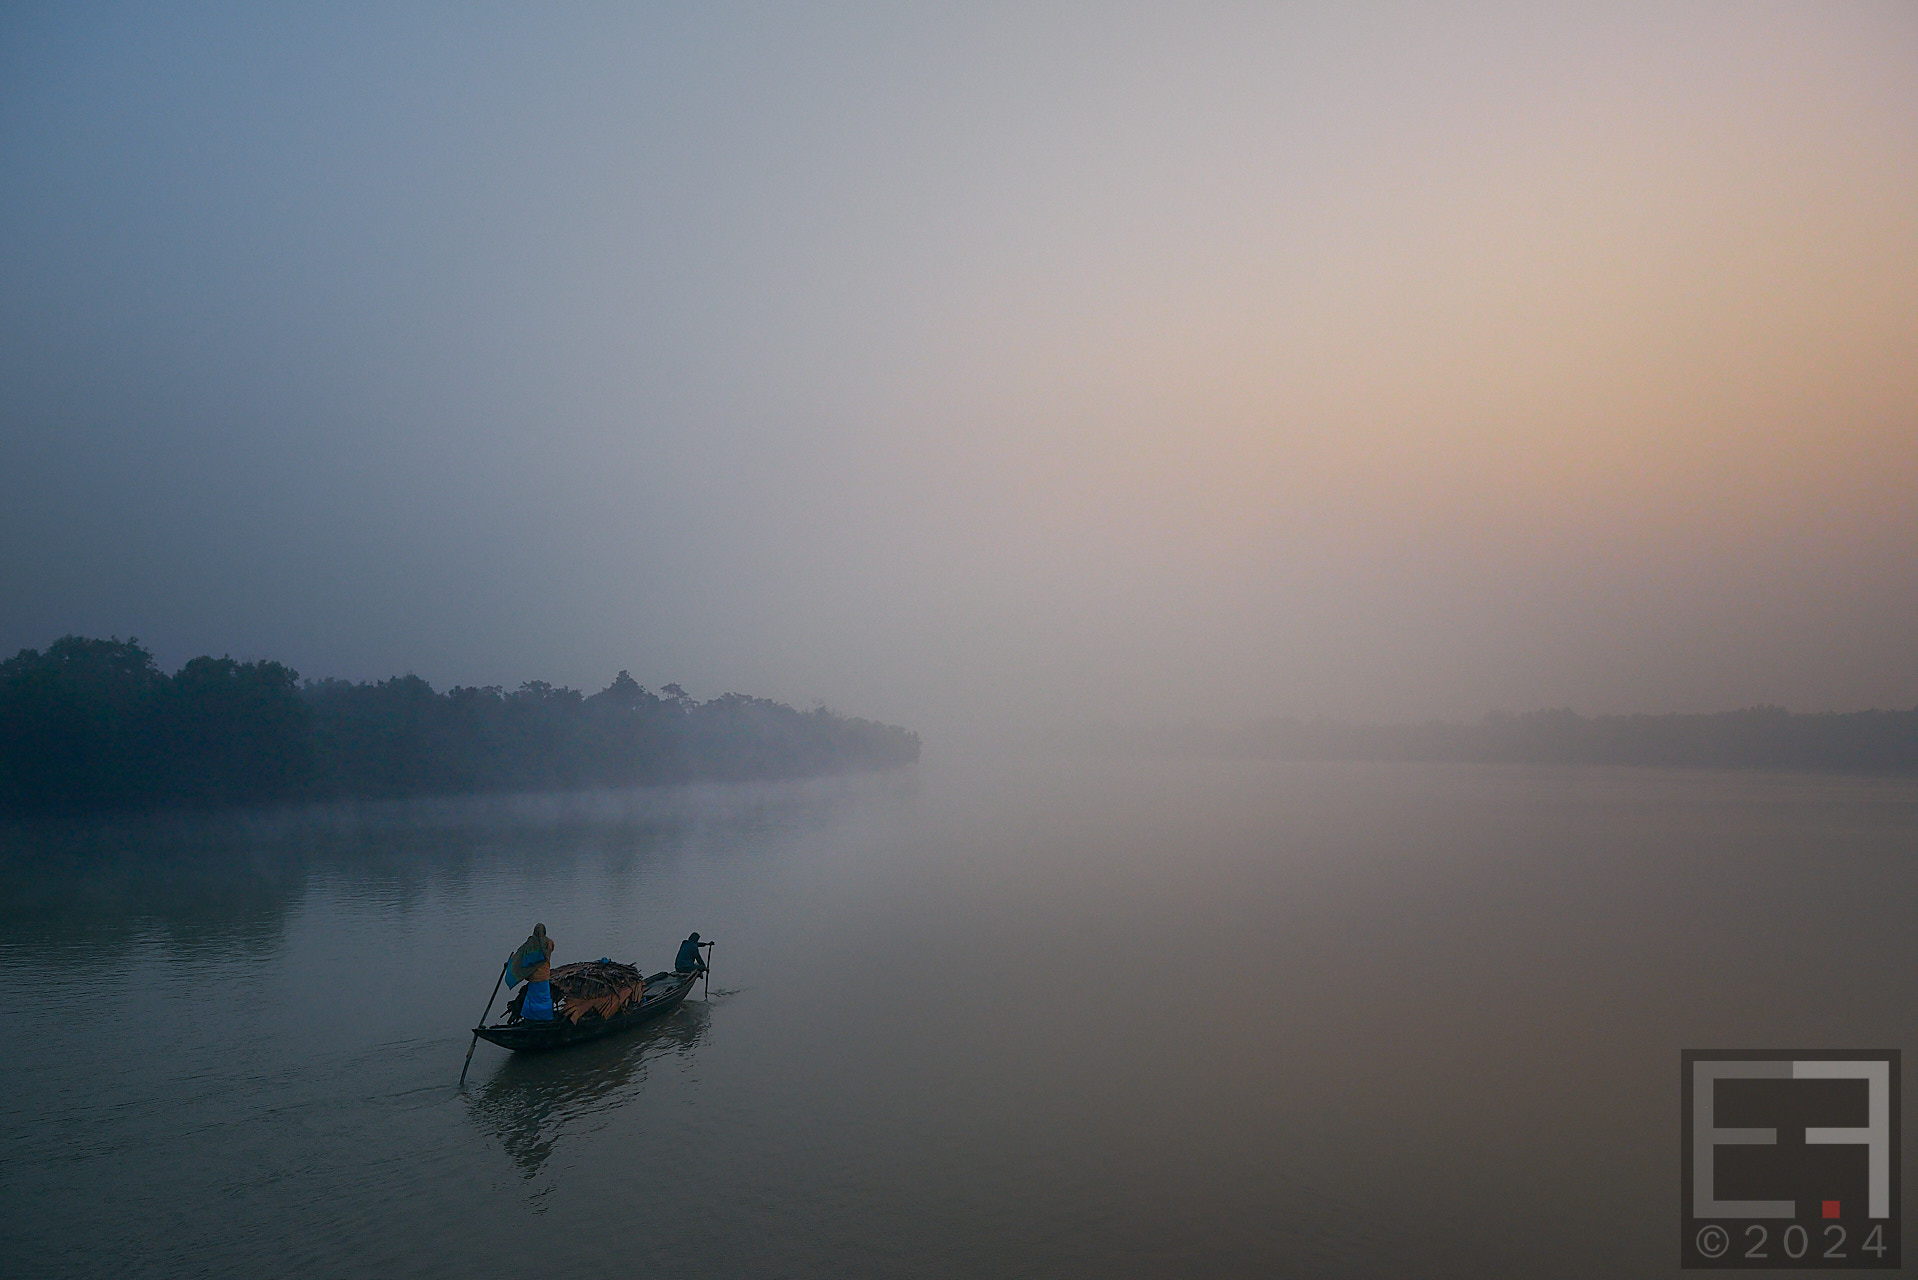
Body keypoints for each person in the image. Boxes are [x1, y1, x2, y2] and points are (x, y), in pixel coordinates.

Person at [507, 923, 557, 1020]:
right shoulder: (549, 943)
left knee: (533, 998)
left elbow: (521, 955)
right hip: (545, 975)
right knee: (544, 998)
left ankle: (532, 1017)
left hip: (534, 976)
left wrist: (510, 963)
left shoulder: (531, 943)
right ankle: (545, 1017)